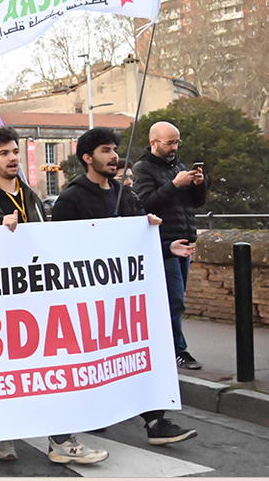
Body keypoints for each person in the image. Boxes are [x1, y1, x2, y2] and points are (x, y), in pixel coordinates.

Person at [53, 127, 199, 447]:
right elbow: (60, 249)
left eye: (114, 150)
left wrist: (165, 246)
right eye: (105, 150)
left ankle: (155, 420)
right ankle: (85, 414)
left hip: (123, 300)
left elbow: (137, 240)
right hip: (88, 298)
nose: (113, 156)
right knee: (91, 362)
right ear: (87, 158)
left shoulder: (124, 194)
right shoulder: (71, 198)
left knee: (135, 356)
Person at [0, 127, 84, 463]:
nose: (13, 158)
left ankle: (60, 438)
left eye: (15, 151)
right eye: (4, 153)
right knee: (2, 371)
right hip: (0, 301)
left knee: (50, 366)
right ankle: (1, 434)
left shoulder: (31, 196)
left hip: (37, 294)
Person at [132, 121, 207, 370]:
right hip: (164, 242)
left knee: (177, 297)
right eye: (169, 143)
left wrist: (198, 184)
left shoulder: (180, 166)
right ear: (154, 143)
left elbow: (196, 204)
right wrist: (174, 184)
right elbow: (145, 204)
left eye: (176, 142)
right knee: (174, 299)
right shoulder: (143, 169)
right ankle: (177, 350)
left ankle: (167, 346)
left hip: (184, 238)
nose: (174, 147)